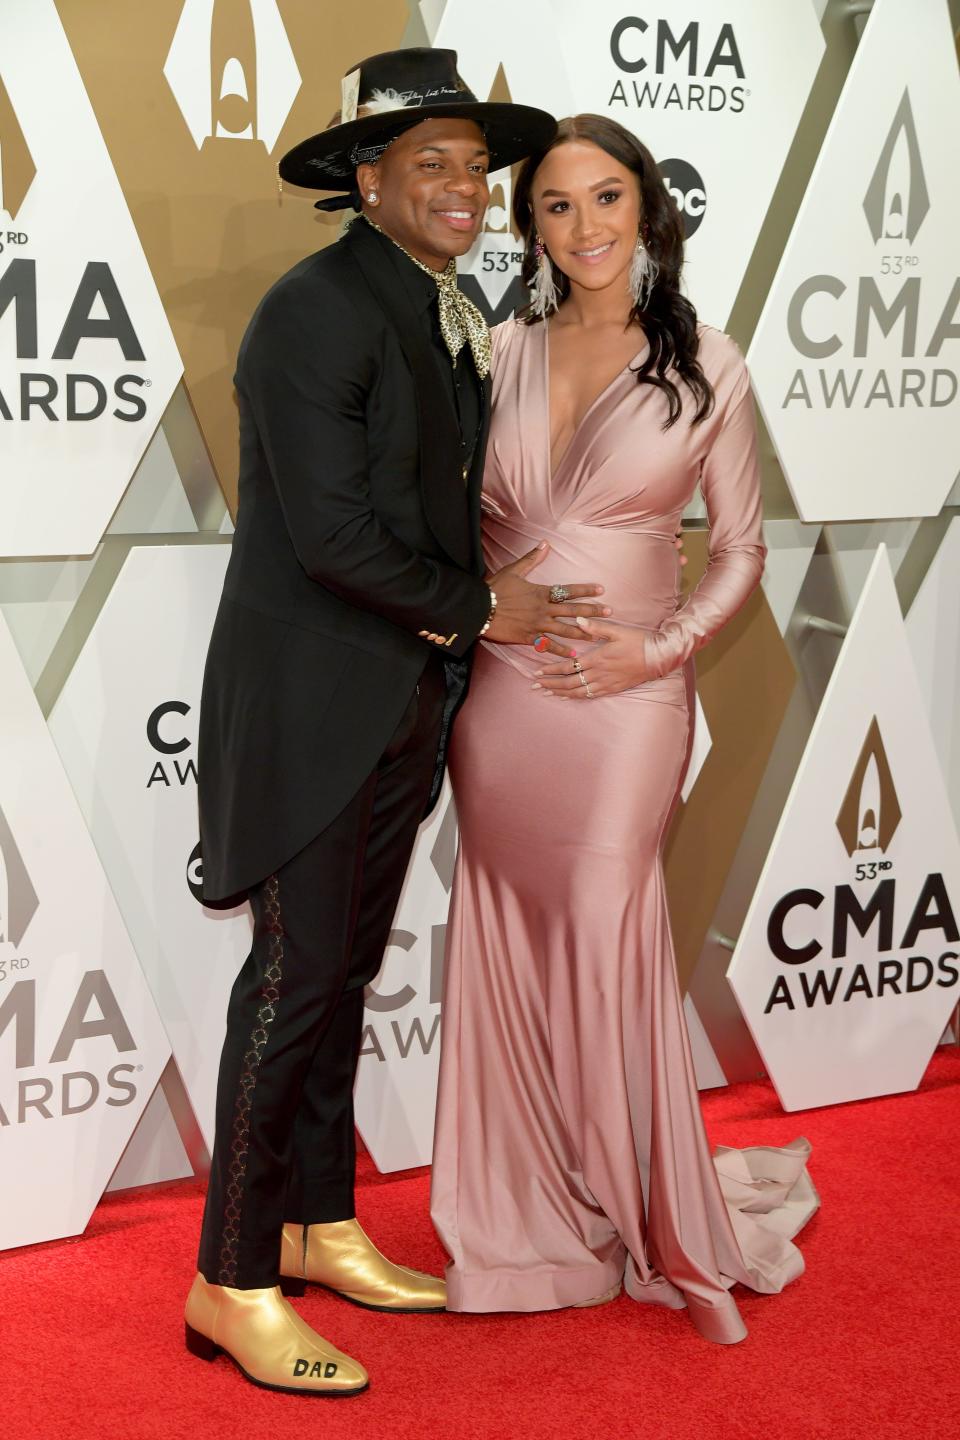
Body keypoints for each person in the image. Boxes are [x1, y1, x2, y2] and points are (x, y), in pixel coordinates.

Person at [184, 50, 608, 1396]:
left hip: (401, 696)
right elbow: (332, 540)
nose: (468, 190)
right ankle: (230, 1279)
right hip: (316, 702)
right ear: (366, 178)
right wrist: (492, 607)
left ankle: (314, 1225)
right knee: (294, 981)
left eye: (478, 168)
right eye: (433, 163)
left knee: (342, 976)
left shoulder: (434, 304)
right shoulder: (315, 313)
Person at [431, 115, 819, 1346]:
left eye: (607, 198)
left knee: (607, 925)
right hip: (503, 704)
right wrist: (477, 617)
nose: (585, 226)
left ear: (648, 209)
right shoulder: (497, 352)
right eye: (555, 205)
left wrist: (654, 652)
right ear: (529, 226)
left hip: (631, 704)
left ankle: (646, 1204)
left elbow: (746, 549)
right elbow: (450, 529)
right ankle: (534, 1217)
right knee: (508, 938)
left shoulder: (709, 361)